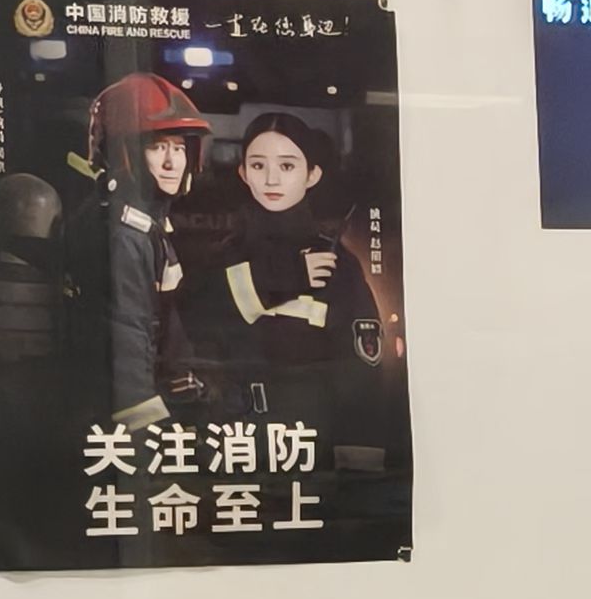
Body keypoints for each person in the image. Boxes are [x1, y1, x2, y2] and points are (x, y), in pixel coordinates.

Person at [201, 111, 382, 376]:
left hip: (312, 402)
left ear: (312, 175)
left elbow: (362, 369)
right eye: (258, 166)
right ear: (243, 173)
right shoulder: (222, 256)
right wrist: (287, 274)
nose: (271, 180)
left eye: (287, 166)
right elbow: (198, 331)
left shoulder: (337, 263)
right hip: (235, 403)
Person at [79, 70, 210, 426]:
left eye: (179, 148)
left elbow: (164, 319)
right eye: (157, 147)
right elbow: (127, 334)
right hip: (119, 413)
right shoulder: (125, 235)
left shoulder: (148, 225)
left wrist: (182, 379)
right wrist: (145, 429)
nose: (172, 162)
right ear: (125, 153)